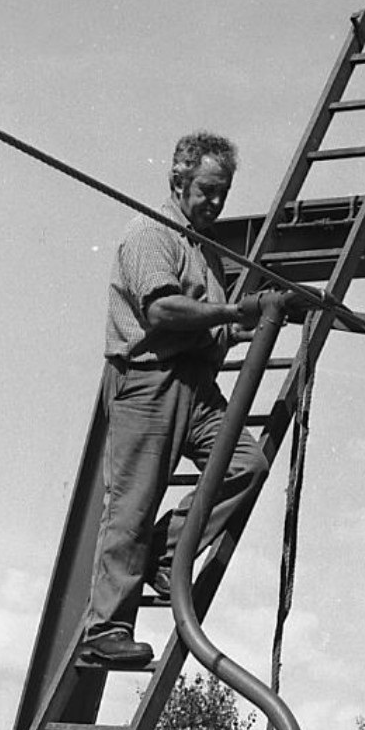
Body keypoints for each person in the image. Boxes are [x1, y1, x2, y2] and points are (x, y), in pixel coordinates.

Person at [79, 130, 269, 668]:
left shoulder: (205, 251)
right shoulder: (150, 233)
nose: (216, 202)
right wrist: (229, 313)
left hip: (195, 384)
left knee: (245, 463)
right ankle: (106, 629)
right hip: (148, 381)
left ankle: (164, 554)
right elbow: (162, 311)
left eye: (223, 193)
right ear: (178, 181)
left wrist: (241, 325)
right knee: (133, 504)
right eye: (207, 190)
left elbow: (206, 322)